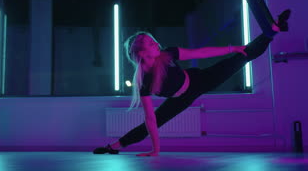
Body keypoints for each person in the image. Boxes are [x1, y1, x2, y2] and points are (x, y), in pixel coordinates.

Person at [93, 9, 291, 157]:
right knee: (151, 123)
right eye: (152, 44)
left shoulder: (167, 54)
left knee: (242, 56)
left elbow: (200, 53)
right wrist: (156, 150)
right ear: (143, 54)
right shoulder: (144, 81)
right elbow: (150, 119)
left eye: (154, 40)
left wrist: (231, 48)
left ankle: (272, 30)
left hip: (199, 80)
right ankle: (114, 146)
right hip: (180, 99)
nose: (157, 44)